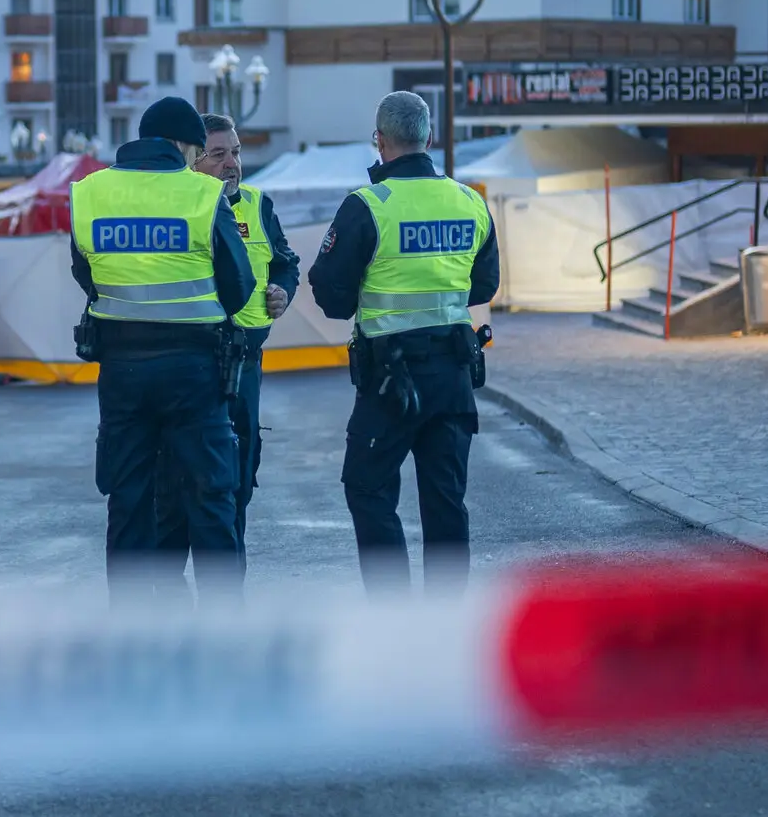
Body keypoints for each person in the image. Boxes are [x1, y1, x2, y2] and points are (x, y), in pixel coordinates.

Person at [307, 91, 500, 592]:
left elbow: (330, 294)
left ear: (380, 141)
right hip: (453, 374)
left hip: (389, 379)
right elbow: (484, 285)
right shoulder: (469, 201)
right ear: (428, 138)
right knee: (446, 501)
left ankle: (392, 614)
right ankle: (446, 618)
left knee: (368, 489)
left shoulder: (368, 205)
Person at [70, 96, 255, 591]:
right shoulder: (199, 194)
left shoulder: (89, 193)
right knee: (211, 496)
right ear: (182, 144)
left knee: (128, 499)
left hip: (122, 369)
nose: (198, 162)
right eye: (198, 151)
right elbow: (238, 286)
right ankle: (222, 630)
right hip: (195, 371)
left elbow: (85, 275)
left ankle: (133, 630)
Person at [153, 113, 301, 574]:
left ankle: (226, 602)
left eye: (235, 151)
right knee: (177, 490)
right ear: (193, 161)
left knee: (236, 484)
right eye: (218, 154)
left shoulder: (258, 205)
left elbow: (285, 262)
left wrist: (283, 290)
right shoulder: (176, 210)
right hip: (188, 366)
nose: (231, 163)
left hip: (244, 369)